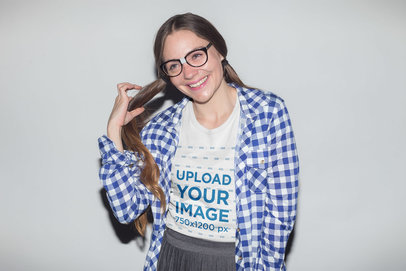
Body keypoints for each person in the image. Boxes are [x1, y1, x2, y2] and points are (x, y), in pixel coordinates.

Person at [98, 12, 299, 271]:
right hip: (172, 259)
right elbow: (126, 209)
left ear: (220, 51)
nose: (188, 73)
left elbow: (280, 216)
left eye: (195, 55)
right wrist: (114, 130)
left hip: (236, 262)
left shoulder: (268, 113)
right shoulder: (161, 129)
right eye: (174, 65)